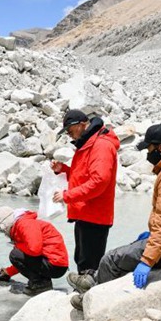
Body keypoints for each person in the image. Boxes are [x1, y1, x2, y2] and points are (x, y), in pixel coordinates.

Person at [68, 123, 161, 309]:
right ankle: (92, 281)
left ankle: (91, 298)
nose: (147, 154)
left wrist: (147, 260)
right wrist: (151, 235)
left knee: (111, 259)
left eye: (149, 148)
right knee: (131, 248)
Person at [50, 109, 120, 283]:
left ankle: (89, 300)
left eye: (70, 130)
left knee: (90, 265)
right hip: (85, 213)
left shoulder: (101, 145)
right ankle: (84, 295)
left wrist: (67, 195)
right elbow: (82, 175)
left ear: (81, 125)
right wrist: (63, 170)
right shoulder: (89, 143)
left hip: (95, 215)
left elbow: (99, 181)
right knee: (82, 260)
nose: (69, 135)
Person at [0, 206, 69, 296]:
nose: (3, 233)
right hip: (55, 264)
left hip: (55, 265)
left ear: (5, 224)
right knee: (16, 253)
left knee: (14, 254)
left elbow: (34, 250)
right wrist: (9, 272)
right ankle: (42, 283)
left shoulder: (24, 224)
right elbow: (28, 258)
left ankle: (40, 284)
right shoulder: (23, 223)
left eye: (1, 230)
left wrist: (17, 246)